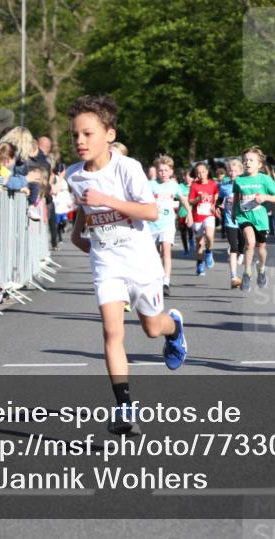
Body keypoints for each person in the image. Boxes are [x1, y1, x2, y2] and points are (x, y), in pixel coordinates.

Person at [66, 95, 187, 435]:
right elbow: (85, 208)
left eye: (87, 134)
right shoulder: (73, 174)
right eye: (75, 135)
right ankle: (124, 408)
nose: (79, 141)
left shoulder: (127, 168)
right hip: (106, 262)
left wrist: (107, 200)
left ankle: (175, 328)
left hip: (139, 260)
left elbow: (150, 211)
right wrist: (78, 234)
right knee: (112, 331)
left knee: (152, 328)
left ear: (109, 135)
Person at [234, 146, 275, 291]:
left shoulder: (265, 179)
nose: (247, 163)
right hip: (244, 216)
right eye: (245, 160)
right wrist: (234, 212)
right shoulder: (238, 180)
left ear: (259, 164)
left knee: (261, 247)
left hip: (261, 219)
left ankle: (261, 269)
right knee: (250, 243)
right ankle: (247, 273)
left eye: (251, 160)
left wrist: (265, 197)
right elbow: (237, 197)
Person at [149, 155, 192, 294]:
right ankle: (156, 278)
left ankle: (165, 283)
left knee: (166, 251)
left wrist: (189, 214)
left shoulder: (174, 185)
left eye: (166, 170)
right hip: (151, 225)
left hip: (167, 225)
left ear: (171, 171)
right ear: (156, 171)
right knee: (154, 255)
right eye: (160, 170)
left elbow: (183, 200)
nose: (163, 173)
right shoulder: (151, 185)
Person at [188, 161, 219, 276]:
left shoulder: (213, 184)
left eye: (203, 172)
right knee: (200, 243)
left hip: (209, 215)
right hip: (198, 217)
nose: (201, 174)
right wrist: (198, 199)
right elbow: (190, 201)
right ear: (196, 173)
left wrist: (214, 205)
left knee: (210, 236)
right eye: (198, 172)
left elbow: (216, 194)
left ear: (207, 172)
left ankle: (209, 252)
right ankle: (200, 263)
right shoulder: (194, 186)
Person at [218, 158, 244, 288]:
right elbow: (219, 199)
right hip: (230, 222)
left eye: (235, 171)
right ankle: (233, 277)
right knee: (233, 248)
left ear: (240, 172)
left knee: (243, 246)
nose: (232, 173)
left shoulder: (245, 185)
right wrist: (217, 207)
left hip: (244, 221)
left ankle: (242, 253)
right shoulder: (224, 186)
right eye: (230, 171)